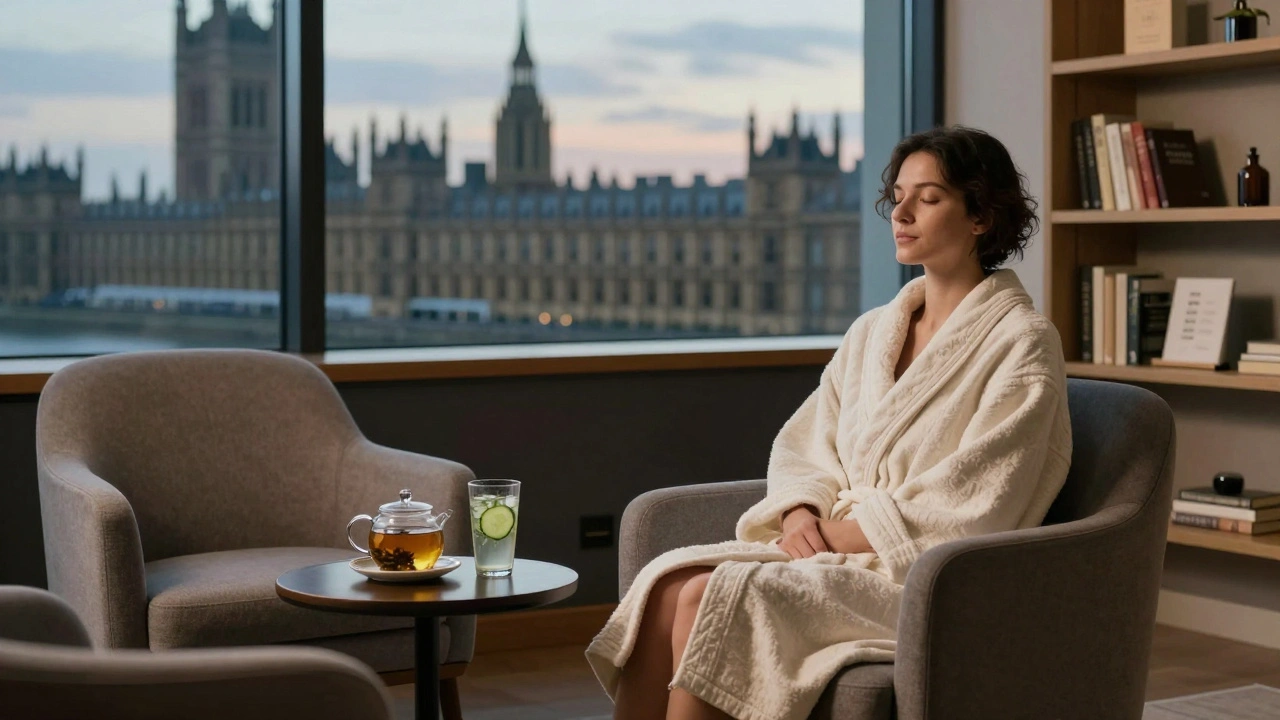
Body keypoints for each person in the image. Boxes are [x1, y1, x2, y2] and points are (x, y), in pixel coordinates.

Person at [585, 125, 1074, 720]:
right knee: (666, 585)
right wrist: (798, 511)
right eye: (897, 194)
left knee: (708, 595)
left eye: (929, 197)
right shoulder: (873, 332)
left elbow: (983, 495)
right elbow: (806, 445)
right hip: (836, 548)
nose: (901, 211)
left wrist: (832, 537)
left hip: (925, 576)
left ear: (980, 216)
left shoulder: (1023, 342)